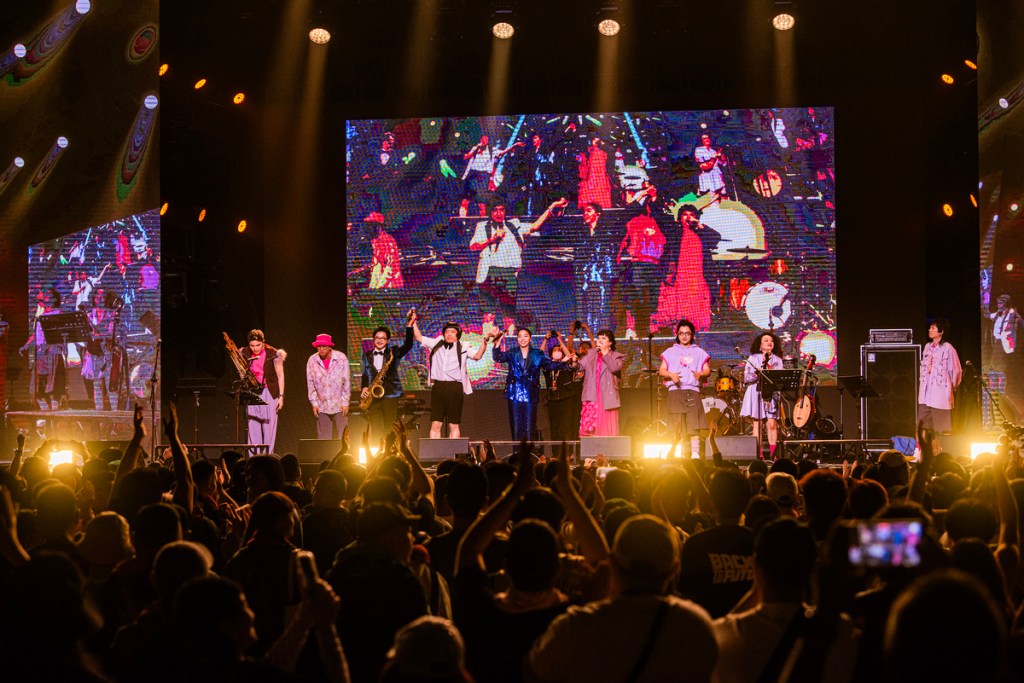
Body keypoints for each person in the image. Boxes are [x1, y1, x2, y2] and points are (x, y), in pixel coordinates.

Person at [526, 515, 718, 682]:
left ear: (613, 563)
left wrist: (586, 604)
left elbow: (532, 674)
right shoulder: (696, 626)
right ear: (675, 569)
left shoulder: (576, 627)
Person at [469, 196, 568, 320]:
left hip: (509, 272)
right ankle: (488, 338)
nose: (499, 214)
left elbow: (535, 226)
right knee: (488, 315)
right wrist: (492, 239)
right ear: (491, 212)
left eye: (502, 210)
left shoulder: (513, 224)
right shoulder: (482, 226)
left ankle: (509, 338)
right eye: (495, 210)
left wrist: (552, 206)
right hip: (489, 272)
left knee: (508, 315)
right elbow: (473, 246)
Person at [490, 327, 569, 441]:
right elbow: (498, 357)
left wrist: (563, 362)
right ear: (517, 339)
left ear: (530, 338)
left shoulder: (537, 354)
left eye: (525, 336)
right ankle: (517, 454)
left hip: (530, 394)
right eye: (520, 336)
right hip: (514, 394)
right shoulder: (512, 352)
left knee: (529, 427)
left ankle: (528, 455)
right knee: (516, 427)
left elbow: (549, 365)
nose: (522, 339)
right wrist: (497, 343)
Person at [413, 319, 489, 438]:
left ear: (457, 334)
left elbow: (477, 356)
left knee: (453, 425)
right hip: (438, 387)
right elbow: (418, 337)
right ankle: (435, 454)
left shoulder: (463, 348)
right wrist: (413, 322)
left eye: (452, 332)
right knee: (436, 424)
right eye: (447, 331)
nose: (449, 334)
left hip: (454, 388)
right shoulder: (436, 344)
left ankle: (453, 456)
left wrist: (485, 340)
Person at [617, 183, 667, 336]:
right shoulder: (632, 219)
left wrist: (654, 197)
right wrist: (644, 193)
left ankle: (649, 330)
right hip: (637, 262)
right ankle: (631, 329)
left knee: (652, 299)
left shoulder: (660, 220)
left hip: (655, 264)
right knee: (636, 298)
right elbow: (630, 210)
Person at [653, 204, 712, 332]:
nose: (688, 217)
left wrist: (699, 225)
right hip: (680, 270)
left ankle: (693, 325)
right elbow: (659, 218)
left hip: (696, 271)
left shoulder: (700, 232)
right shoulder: (675, 230)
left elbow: (715, 238)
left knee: (694, 296)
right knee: (678, 297)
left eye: (692, 215)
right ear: (680, 217)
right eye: (685, 214)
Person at [658, 320, 711, 459]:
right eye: (681, 333)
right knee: (677, 425)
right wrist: (671, 374)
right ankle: (677, 453)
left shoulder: (699, 352)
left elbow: (707, 370)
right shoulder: (670, 351)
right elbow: (661, 370)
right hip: (675, 392)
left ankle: (695, 454)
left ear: (692, 335)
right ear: (677, 335)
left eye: (687, 333)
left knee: (694, 424)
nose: (684, 336)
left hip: (692, 391)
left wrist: (701, 374)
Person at [361, 311, 415, 443]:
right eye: (377, 338)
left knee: (389, 426)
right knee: (376, 427)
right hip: (373, 396)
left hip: (390, 394)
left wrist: (410, 325)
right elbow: (365, 374)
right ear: (373, 340)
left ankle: (389, 453)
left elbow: (408, 345)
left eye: (383, 338)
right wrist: (364, 388)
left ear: (388, 340)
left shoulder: (393, 352)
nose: (379, 340)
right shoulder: (366, 355)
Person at [19, 287, 65, 411]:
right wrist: (26, 346)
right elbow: (35, 333)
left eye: (48, 295)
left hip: (52, 351)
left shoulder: (57, 313)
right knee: (40, 378)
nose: (45, 296)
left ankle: (54, 403)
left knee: (52, 379)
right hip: (40, 352)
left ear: (54, 299)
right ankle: (44, 404)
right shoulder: (40, 314)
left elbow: (59, 334)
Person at [740, 331, 784, 459]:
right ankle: (758, 454)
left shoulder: (778, 360)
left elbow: (780, 377)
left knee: (772, 424)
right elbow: (747, 377)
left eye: (771, 341)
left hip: (771, 392)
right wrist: (756, 373)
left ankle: (773, 454)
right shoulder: (753, 358)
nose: (769, 342)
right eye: (766, 340)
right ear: (760, 345)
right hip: (756, 391)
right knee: (757, 423)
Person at [241, 329, 286, 453]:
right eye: (252, 345)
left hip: (269, 393)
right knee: (253, 428)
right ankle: (254, 460)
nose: (255, 348)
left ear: (263, 342)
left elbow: (280, 375)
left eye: (258, 345)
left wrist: (281, 396)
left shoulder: (273, 353)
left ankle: (267, 458)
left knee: (268, 429)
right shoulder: (244, 353)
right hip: (253, 392)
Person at [575, 202, 617, 332]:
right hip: (586, 277)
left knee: (601, 307)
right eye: (584, 211)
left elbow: (608, 256)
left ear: (597, 215)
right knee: (586, 307)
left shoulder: (606, 233)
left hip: (601, 277)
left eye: (589, 211)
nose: (585, 214)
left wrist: (606, 274)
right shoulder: (582, 234)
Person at [575, 329, 625, 437]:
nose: (600, 340)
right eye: (599, 338)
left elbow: (614, 368)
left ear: (610, 342)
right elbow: (580, 366)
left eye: (604, 338)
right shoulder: (591, 353)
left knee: (606, 427)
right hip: (592, 393)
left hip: (606, 394)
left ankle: (607, 451)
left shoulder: (617, 356)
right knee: (591, 425)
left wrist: (604, 354)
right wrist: (574, 361)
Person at [461, 134, 525, 216]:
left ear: (488, 141)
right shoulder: (475, 148)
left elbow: (503, 152)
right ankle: (462, 221)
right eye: (482, 139)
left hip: (483, 177)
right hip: (472, 175)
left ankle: (481, 223)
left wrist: (514, 145)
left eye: (485, 139)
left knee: (481, 203)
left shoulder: (492, 150)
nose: (483, 141)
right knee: (465, 200)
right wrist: (476, 148)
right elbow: (466, 157)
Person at [918, 317, 962, 434]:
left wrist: (951, 387)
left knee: (942, 429)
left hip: (940, 394)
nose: (930, 330)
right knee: (922, 426)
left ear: (941, 331)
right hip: (925, 394)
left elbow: (956, 371)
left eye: (933, 328)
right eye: (930, 327)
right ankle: (920, 450)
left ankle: (942, 450)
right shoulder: (927, 347)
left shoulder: (948, 348)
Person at [306, 333, 351, 440]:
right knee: (323, 439)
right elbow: (310, 383)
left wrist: (345, 402)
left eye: (324, 346)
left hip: (339, 404)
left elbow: (346, 381)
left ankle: (344, 456)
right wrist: (314, 403)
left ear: (329, 346)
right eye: (319, 346)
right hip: (322, 405)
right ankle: (325, 457)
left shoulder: (341, 358)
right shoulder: (312, 361)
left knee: (343, 437)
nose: (321, 349)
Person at [81, 287, 115, 411]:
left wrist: (100, 335)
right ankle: (99, 415)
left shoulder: (111, 314)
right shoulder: (88, 315)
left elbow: (112, 333)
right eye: (97, 296)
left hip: (106, 351)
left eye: (102, 296)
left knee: (110, 384)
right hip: (93, 352)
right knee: (96, 384)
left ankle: (115, 414)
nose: (100, 298)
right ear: (93, 298)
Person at [695, 133, 728, 200]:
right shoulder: (699, 150)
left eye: (708, 138)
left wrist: (723, 157)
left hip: (717, 177)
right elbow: (702, 164)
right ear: (701, 140)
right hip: (706, 176)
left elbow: (723, 163)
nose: (707, 140)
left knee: (723, 195)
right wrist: (714, 156)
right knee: (710, 197)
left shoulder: (713, 151)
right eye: (704, 138)